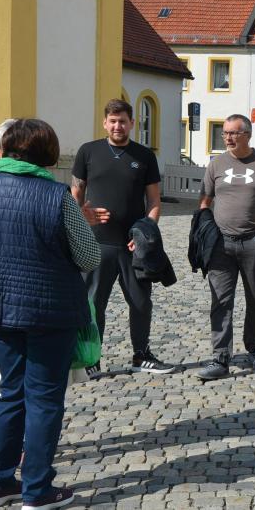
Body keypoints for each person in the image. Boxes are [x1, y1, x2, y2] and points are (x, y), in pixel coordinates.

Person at [0, 119, 101, 510]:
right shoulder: (57, 197)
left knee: (9, 392)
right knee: (43, 398)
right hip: (49, 310)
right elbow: (89, 256)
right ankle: (38, 490)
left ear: (3, 152)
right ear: (49, 155)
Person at [71, 99, 174, 376]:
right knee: (94, 305)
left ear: (132, 123)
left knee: (141, 302)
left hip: (133, 246)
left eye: (123, 121)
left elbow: (153, 202)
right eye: (113, 121)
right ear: (105, 123)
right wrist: (82, 216)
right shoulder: (88, 152)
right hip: (97, 243)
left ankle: (141, 355)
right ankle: (92, 360)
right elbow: (75, 196)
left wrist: (145, 235)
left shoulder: (145, 156)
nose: (118, 126)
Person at [196, 114, 255, 380]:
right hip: (221, 245)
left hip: (253, 243)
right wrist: (205, 231)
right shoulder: (216, 164)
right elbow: (205, 201)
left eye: (233, 133)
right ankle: (220, 358)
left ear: (247, 134)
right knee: (221, 301)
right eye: (224, 133)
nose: (227, 138)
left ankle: (254, 348)